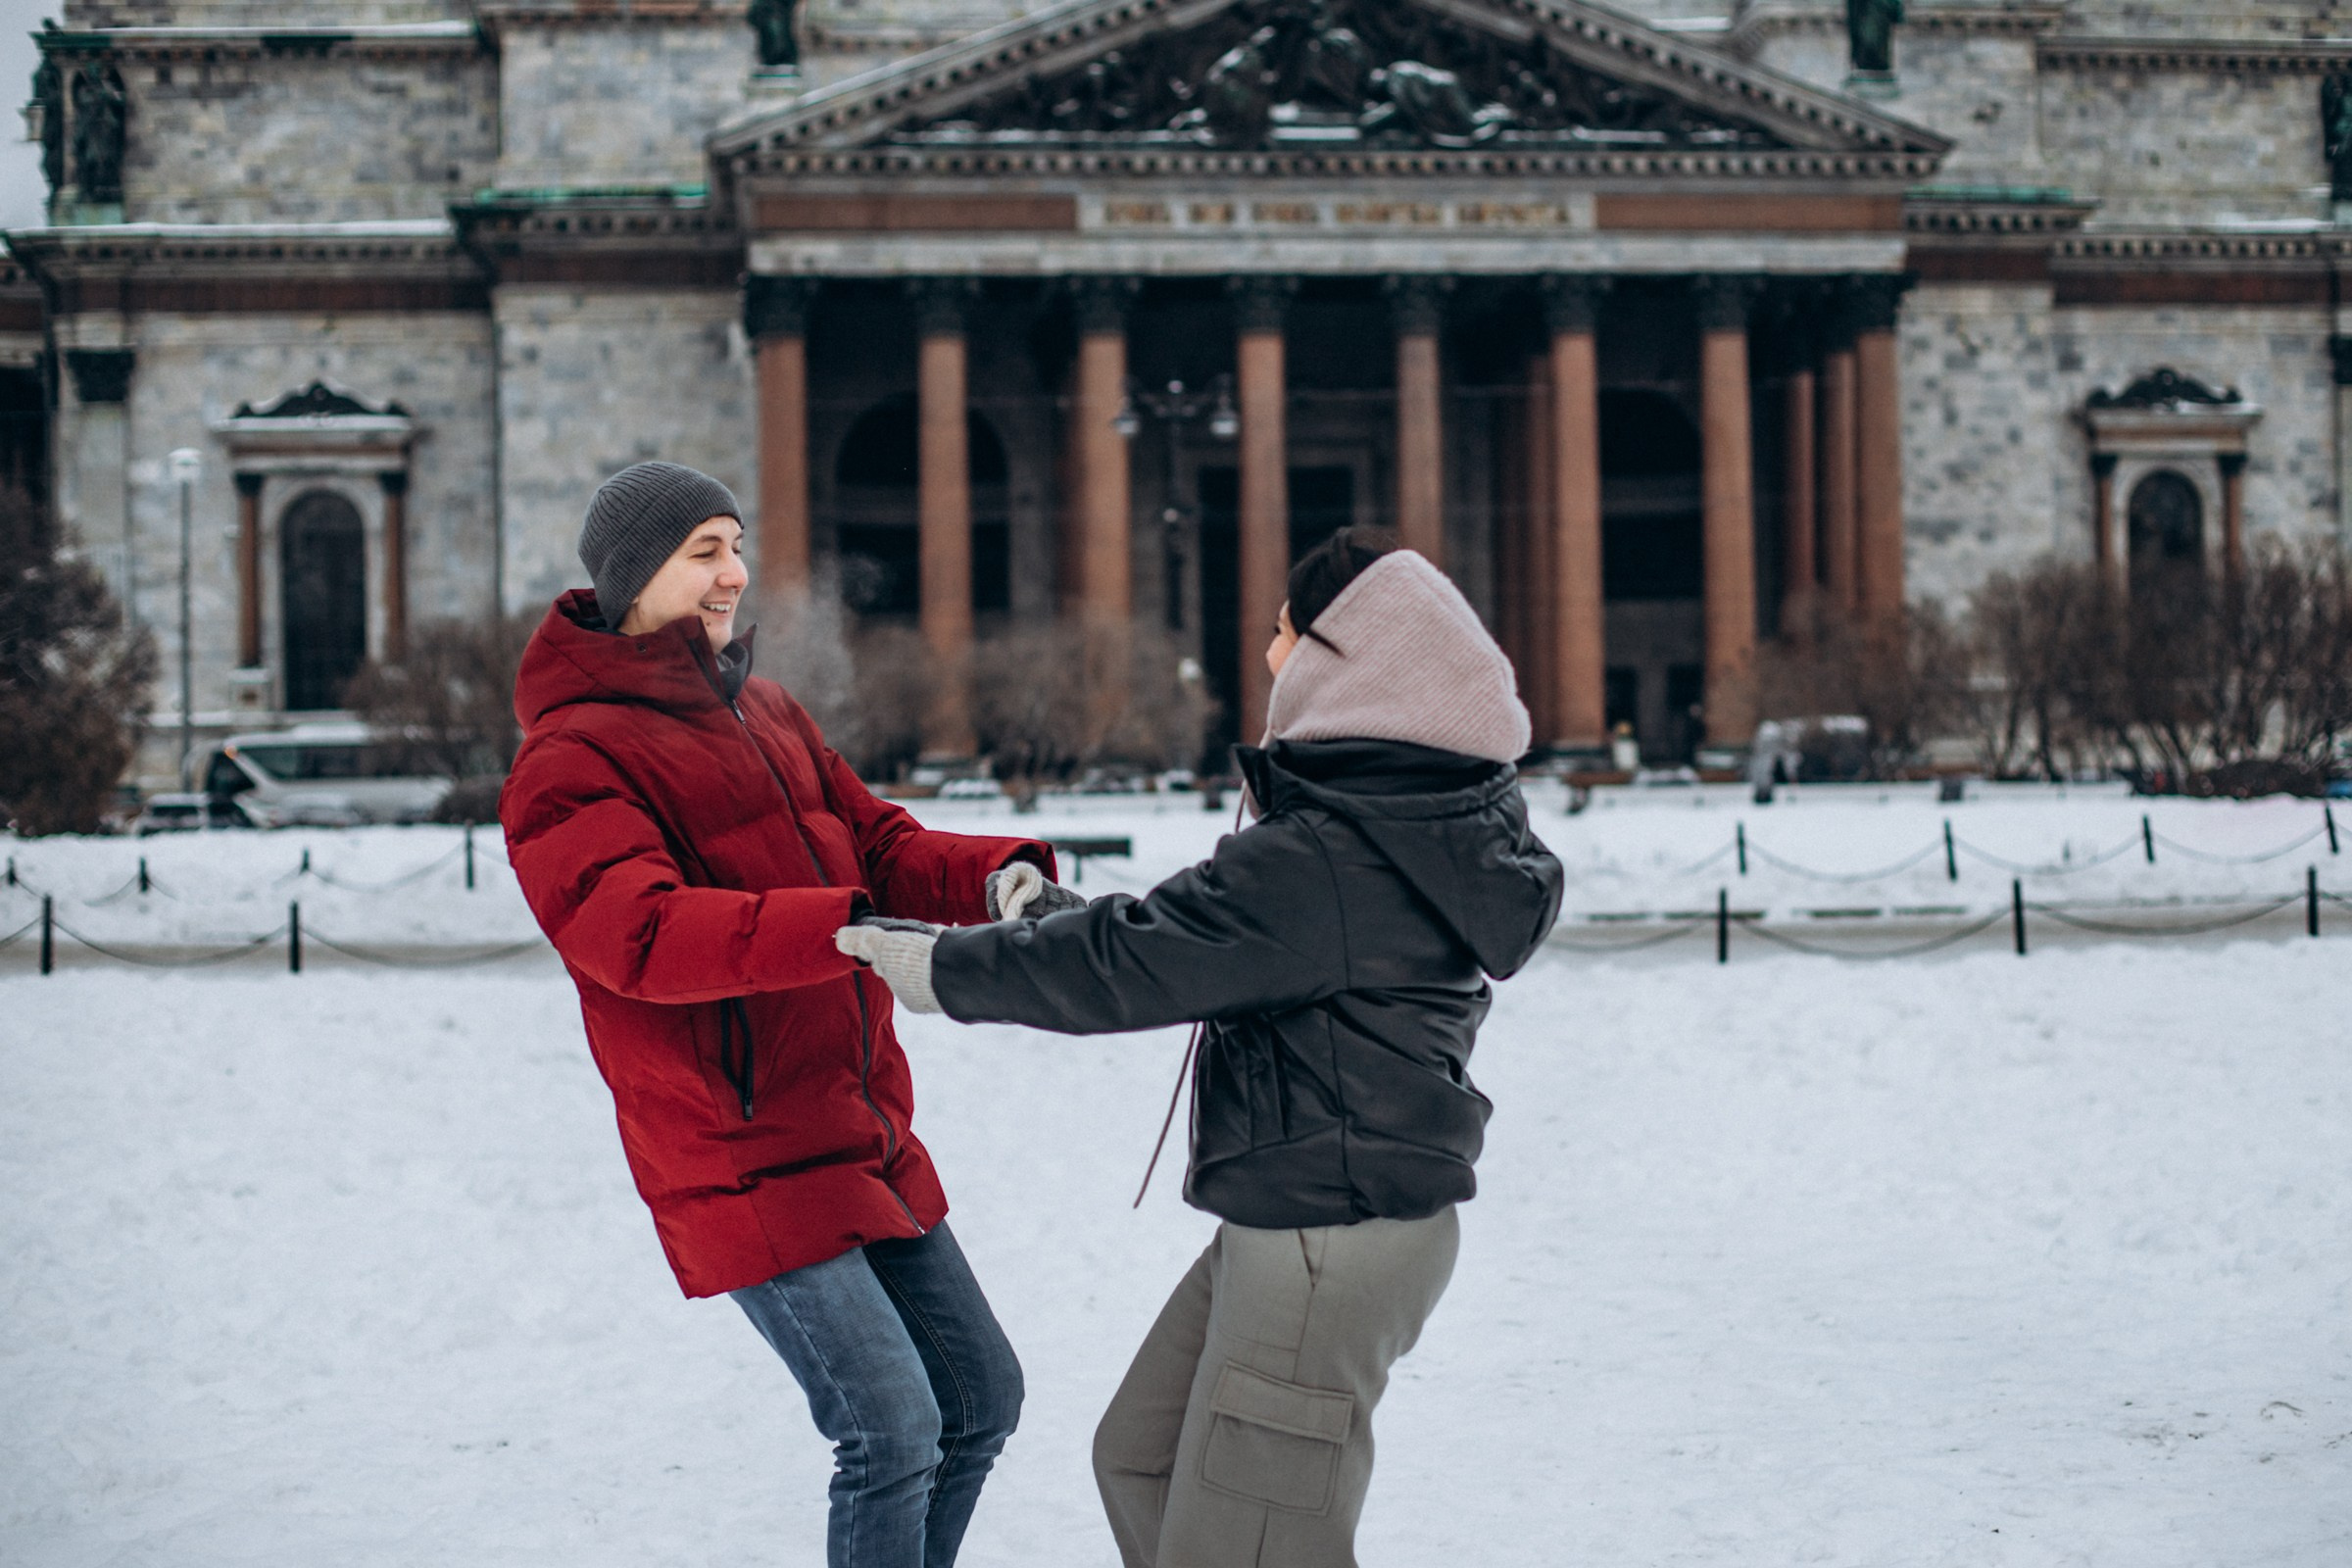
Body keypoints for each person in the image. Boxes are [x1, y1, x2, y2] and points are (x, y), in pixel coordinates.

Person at [837, 528, 1566, 1568]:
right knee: (1141, 1459)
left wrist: (949, 969)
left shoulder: (1330, 854)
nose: (1271, 655)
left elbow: (1141, 965)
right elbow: (1195, 948)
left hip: (1326, 1239)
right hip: (1322, 1217)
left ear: (1344, 659)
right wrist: (1051, 916)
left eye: (1286, 633)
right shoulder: (1406, 824)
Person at [499, 461, 1076, 1568]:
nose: (736, 573)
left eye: (735, 544)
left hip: (857, 1124)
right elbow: (641, 936)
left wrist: (998, 875)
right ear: (634, 577)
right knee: (892, 1426)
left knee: (981, 1396)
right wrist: (841, 928)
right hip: (738, 1147)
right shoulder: (569, 759)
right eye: (704, 551)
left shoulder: (764, 708)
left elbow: (878, 843)